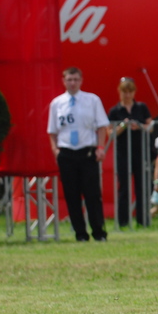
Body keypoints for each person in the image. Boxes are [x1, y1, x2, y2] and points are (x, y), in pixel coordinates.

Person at [46, 67, 111, 242]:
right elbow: (52, 130)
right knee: (71, 195)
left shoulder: (92, 100)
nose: (72, 83)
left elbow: (102, 126)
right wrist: (55, 151)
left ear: (81, 81)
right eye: (69, 79)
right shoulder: (57, 103)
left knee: (92, 194)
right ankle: (80, 233)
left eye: (75, 79)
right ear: (64, 81)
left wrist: (100, 147)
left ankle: (99, 232)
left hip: (87, 151)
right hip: (66, 152)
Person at [107, 77, 153, 228]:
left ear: (134, 92)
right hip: (123, 153)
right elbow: (110, 133)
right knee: (124, 188)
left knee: (142, 186)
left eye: (130, 91)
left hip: (140, 152)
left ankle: (143, 220)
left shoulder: (141, 107)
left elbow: (150, 126)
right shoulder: (115, 111)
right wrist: (123, 126)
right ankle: (124, 221)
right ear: (119, 92)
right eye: (124, 92)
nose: (127, 95)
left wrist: (139, 126)